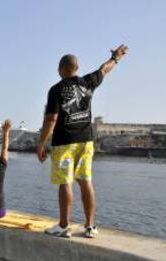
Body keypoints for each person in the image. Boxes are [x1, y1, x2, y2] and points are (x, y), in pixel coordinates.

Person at [37, 45, 128, 238]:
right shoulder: (88, 82)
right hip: (86, 141)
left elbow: (51, 119)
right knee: (86, 181)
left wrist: (41, 143)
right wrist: (116, 58)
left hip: (64, 142)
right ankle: (90, 226)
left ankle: (63, 226)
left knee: (65, 183)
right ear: (76, 68)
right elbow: (104, 69)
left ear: (61, 69)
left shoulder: (56, 89)